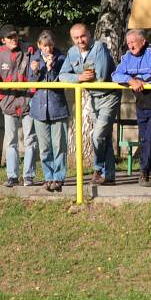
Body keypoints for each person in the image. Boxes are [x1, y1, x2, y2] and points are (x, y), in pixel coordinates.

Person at [59, 23, 121, 186]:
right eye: (76, 38)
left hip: (109, 96)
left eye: (83, 36)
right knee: (104, 137)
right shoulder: (72, 52)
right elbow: (62, 76)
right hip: (93, 97)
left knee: (98, 135)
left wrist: (82, 77)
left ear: (89, 34)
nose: (80, 40)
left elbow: (99, 77)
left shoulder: (99, 48)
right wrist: (79, 77)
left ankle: (97, 168)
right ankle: (109, 176)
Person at [112, 29, 151, 187]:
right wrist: (131, 80)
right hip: (141, 105)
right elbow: (115, 75)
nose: (130, 46)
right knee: (149, 141)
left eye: (133, 42)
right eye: (128, 43)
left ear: (143, 41)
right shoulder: (127, 57)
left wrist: (138, 81)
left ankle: (144, 172)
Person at [0, 24, 37, 188]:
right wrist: (1, 99)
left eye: (15, 36)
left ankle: (29, 176)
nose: (14, 39)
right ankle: (12, 176)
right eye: (10, 37)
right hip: (8, 101)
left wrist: (32, 97)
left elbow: (34, 75)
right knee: (11, 140)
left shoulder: (29, 49)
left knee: (30, 138)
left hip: (27, 100)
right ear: (3, 40)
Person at [28, 30, 69, 192]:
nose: (48, 49)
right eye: (44, 46)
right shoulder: (34, 58)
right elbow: (31, 82)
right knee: (44, 147)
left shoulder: (61, 58)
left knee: (59, 145)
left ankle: (58, 178)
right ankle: (48, 177)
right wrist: (36, 71)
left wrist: (50, 68)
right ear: (39, 45)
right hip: (39, 109)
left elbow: (57, 81)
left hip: (57, 107)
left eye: (50, 45)